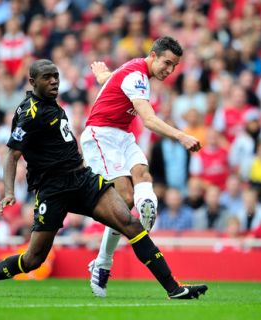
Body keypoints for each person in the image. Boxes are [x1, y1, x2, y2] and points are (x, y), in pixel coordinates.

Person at [0, 59, 207, 300]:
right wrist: (8, 191)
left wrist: (105, 76)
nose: (54, 82)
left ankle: (174, 289)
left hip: (81, 179)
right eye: (47, 78)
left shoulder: (54, 105)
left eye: (56, 77)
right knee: (33, 260)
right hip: (52, 190)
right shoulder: (29, 113)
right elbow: (11, 154)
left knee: (130, 223)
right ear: (32, 82)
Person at [80, 36, 202, 297]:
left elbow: (112, 80)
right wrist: (182, 135)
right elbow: (148, 119)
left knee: (142, 174)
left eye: (174, 67)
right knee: (123, 200)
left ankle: (147, 208)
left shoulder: (136, 71)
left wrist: (103, 75)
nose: (169, 71)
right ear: (153, 55)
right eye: (167, 63)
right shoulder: (138, 75)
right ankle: (102, 263)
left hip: (122, 135)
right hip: (101, 135)